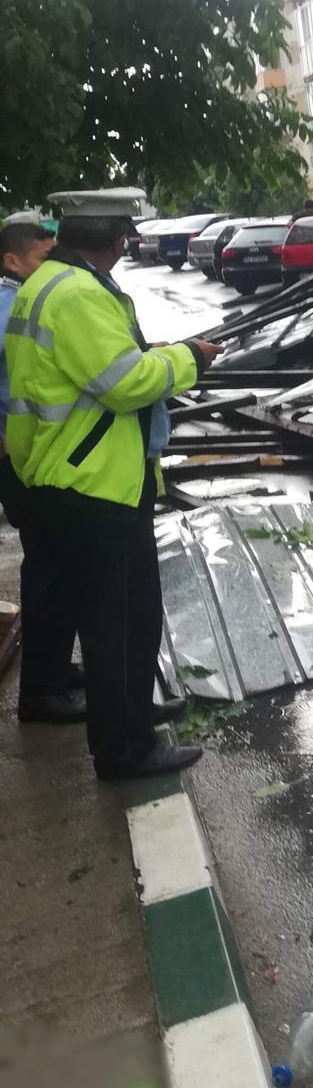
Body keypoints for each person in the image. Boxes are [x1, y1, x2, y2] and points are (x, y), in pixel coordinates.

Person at [4, 189, 223, 779]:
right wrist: (190, 360)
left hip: (60, 476)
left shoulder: (44, 284)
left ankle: (130, 715)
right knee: (123, 622)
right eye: (126, 233)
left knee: (109, 618)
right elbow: (124, 382)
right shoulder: (77, 294)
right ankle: (126, 748)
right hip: (95, 485)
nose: (127, 243)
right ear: (116, 239)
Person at [0, 220, 85, 718]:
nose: (53, 264)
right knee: (51, 568)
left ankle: (54, 667)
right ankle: (43, 692)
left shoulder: (23, 297)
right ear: (13, 260)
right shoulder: (11, 303)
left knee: (56, 564)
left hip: (32, 454)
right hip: (19, 459)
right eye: (43, 255)